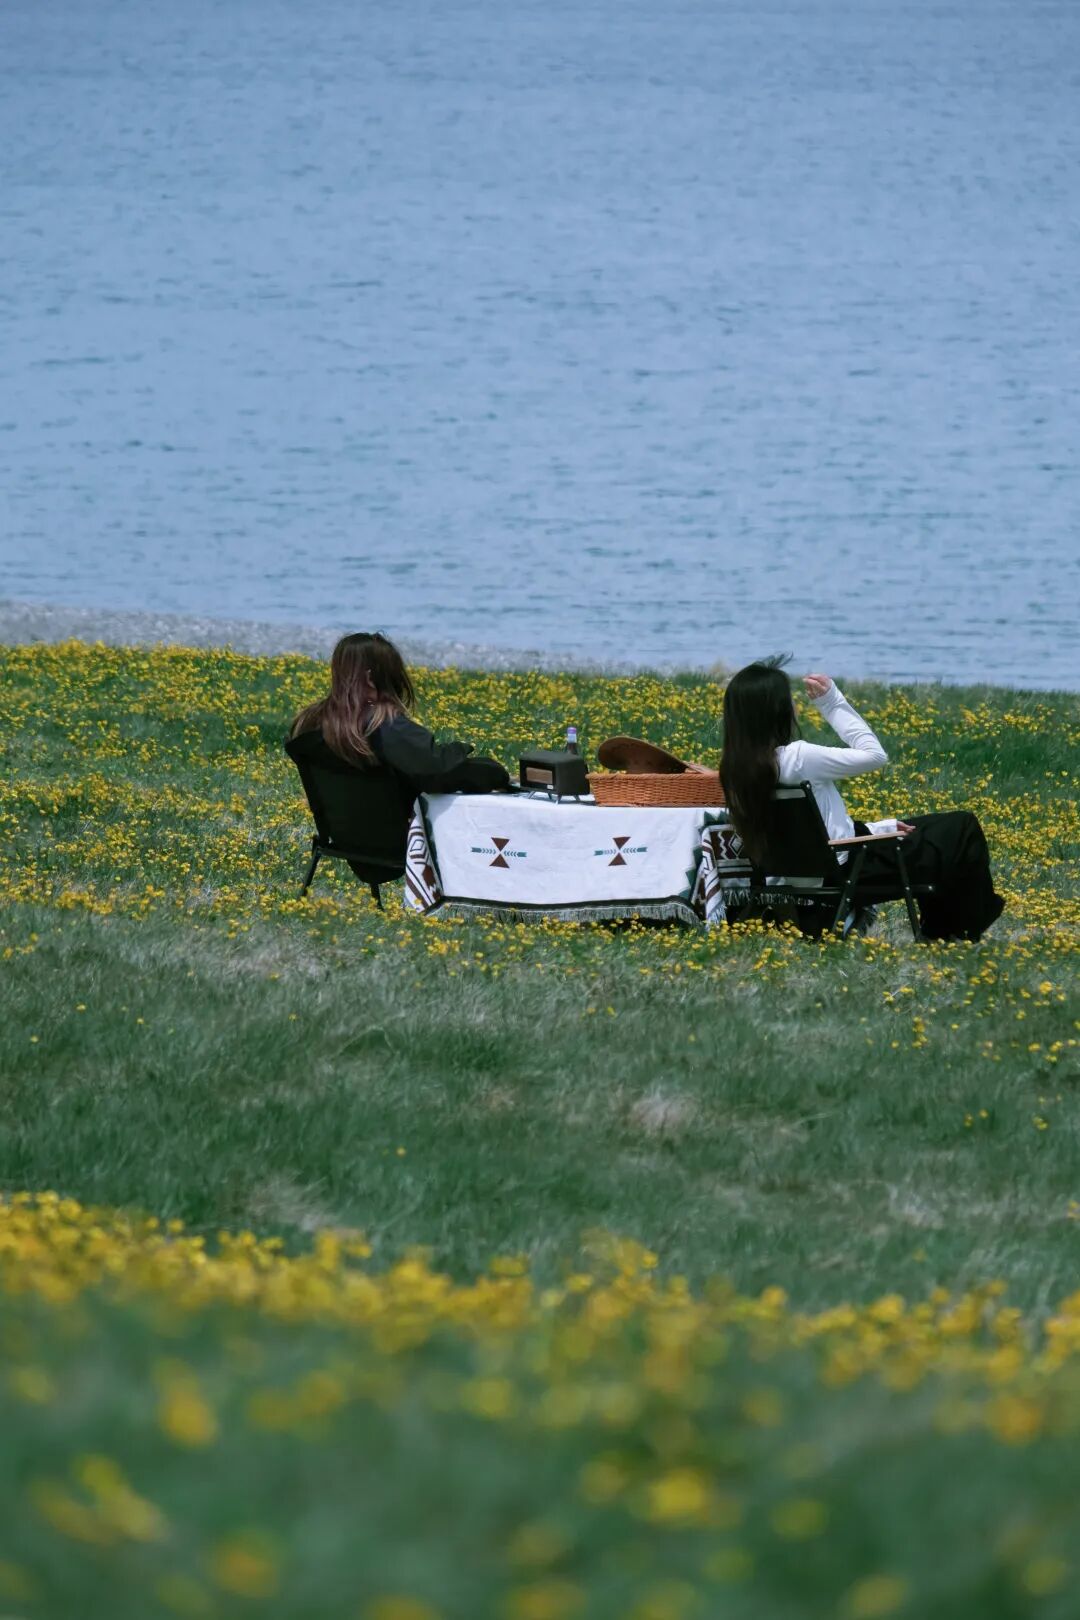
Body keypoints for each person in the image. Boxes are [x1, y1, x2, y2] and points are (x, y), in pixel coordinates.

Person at [718, 657, 1005, 941]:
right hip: (846, 869)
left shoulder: (735, 769)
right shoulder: (797, 758)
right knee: (961, 828)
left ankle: (945, 930)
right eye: (789, 699)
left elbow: (808, 830)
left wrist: (881, 828)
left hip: (801, 870)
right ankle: (954, 932)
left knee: (937, 831)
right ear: (775, 710)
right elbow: (874, 755)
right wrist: (832, 703)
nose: (794, 706)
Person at [287, 633, 510, 877]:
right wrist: (493, 770)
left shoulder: (308, 723)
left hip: (345, 840)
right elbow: (439, 770)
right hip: (398, 845)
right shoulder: (382, 725)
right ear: (371, 679)